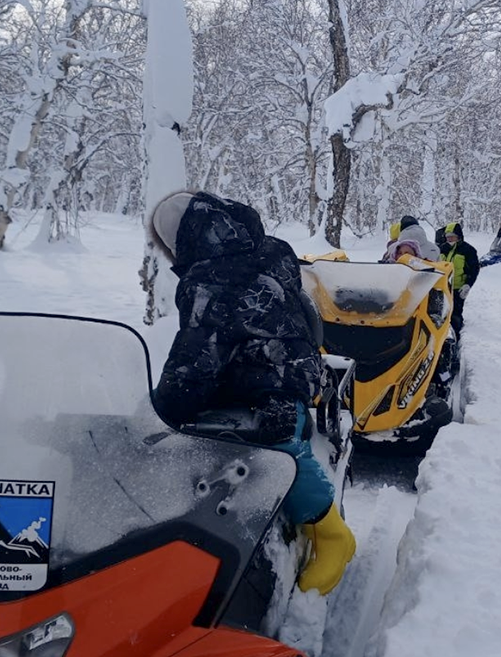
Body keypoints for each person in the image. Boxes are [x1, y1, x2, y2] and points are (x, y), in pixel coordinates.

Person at [149, 190, 355, 595]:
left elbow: (196, 358)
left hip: (267, 384)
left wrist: (158, 410)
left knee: (276, 447)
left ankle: (330, 531)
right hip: (292, 369)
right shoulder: (269, 246)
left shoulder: (208, 278)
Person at [439, 222, 479, 335]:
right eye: (448, 237)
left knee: (455, 314)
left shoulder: (468, 250)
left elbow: (474, 269)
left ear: (459, 236)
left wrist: (468, 285)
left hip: (458, 288)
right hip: (442, 287)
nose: (450, 239)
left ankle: (456, 336)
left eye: (452, 236)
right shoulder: (442, 249)